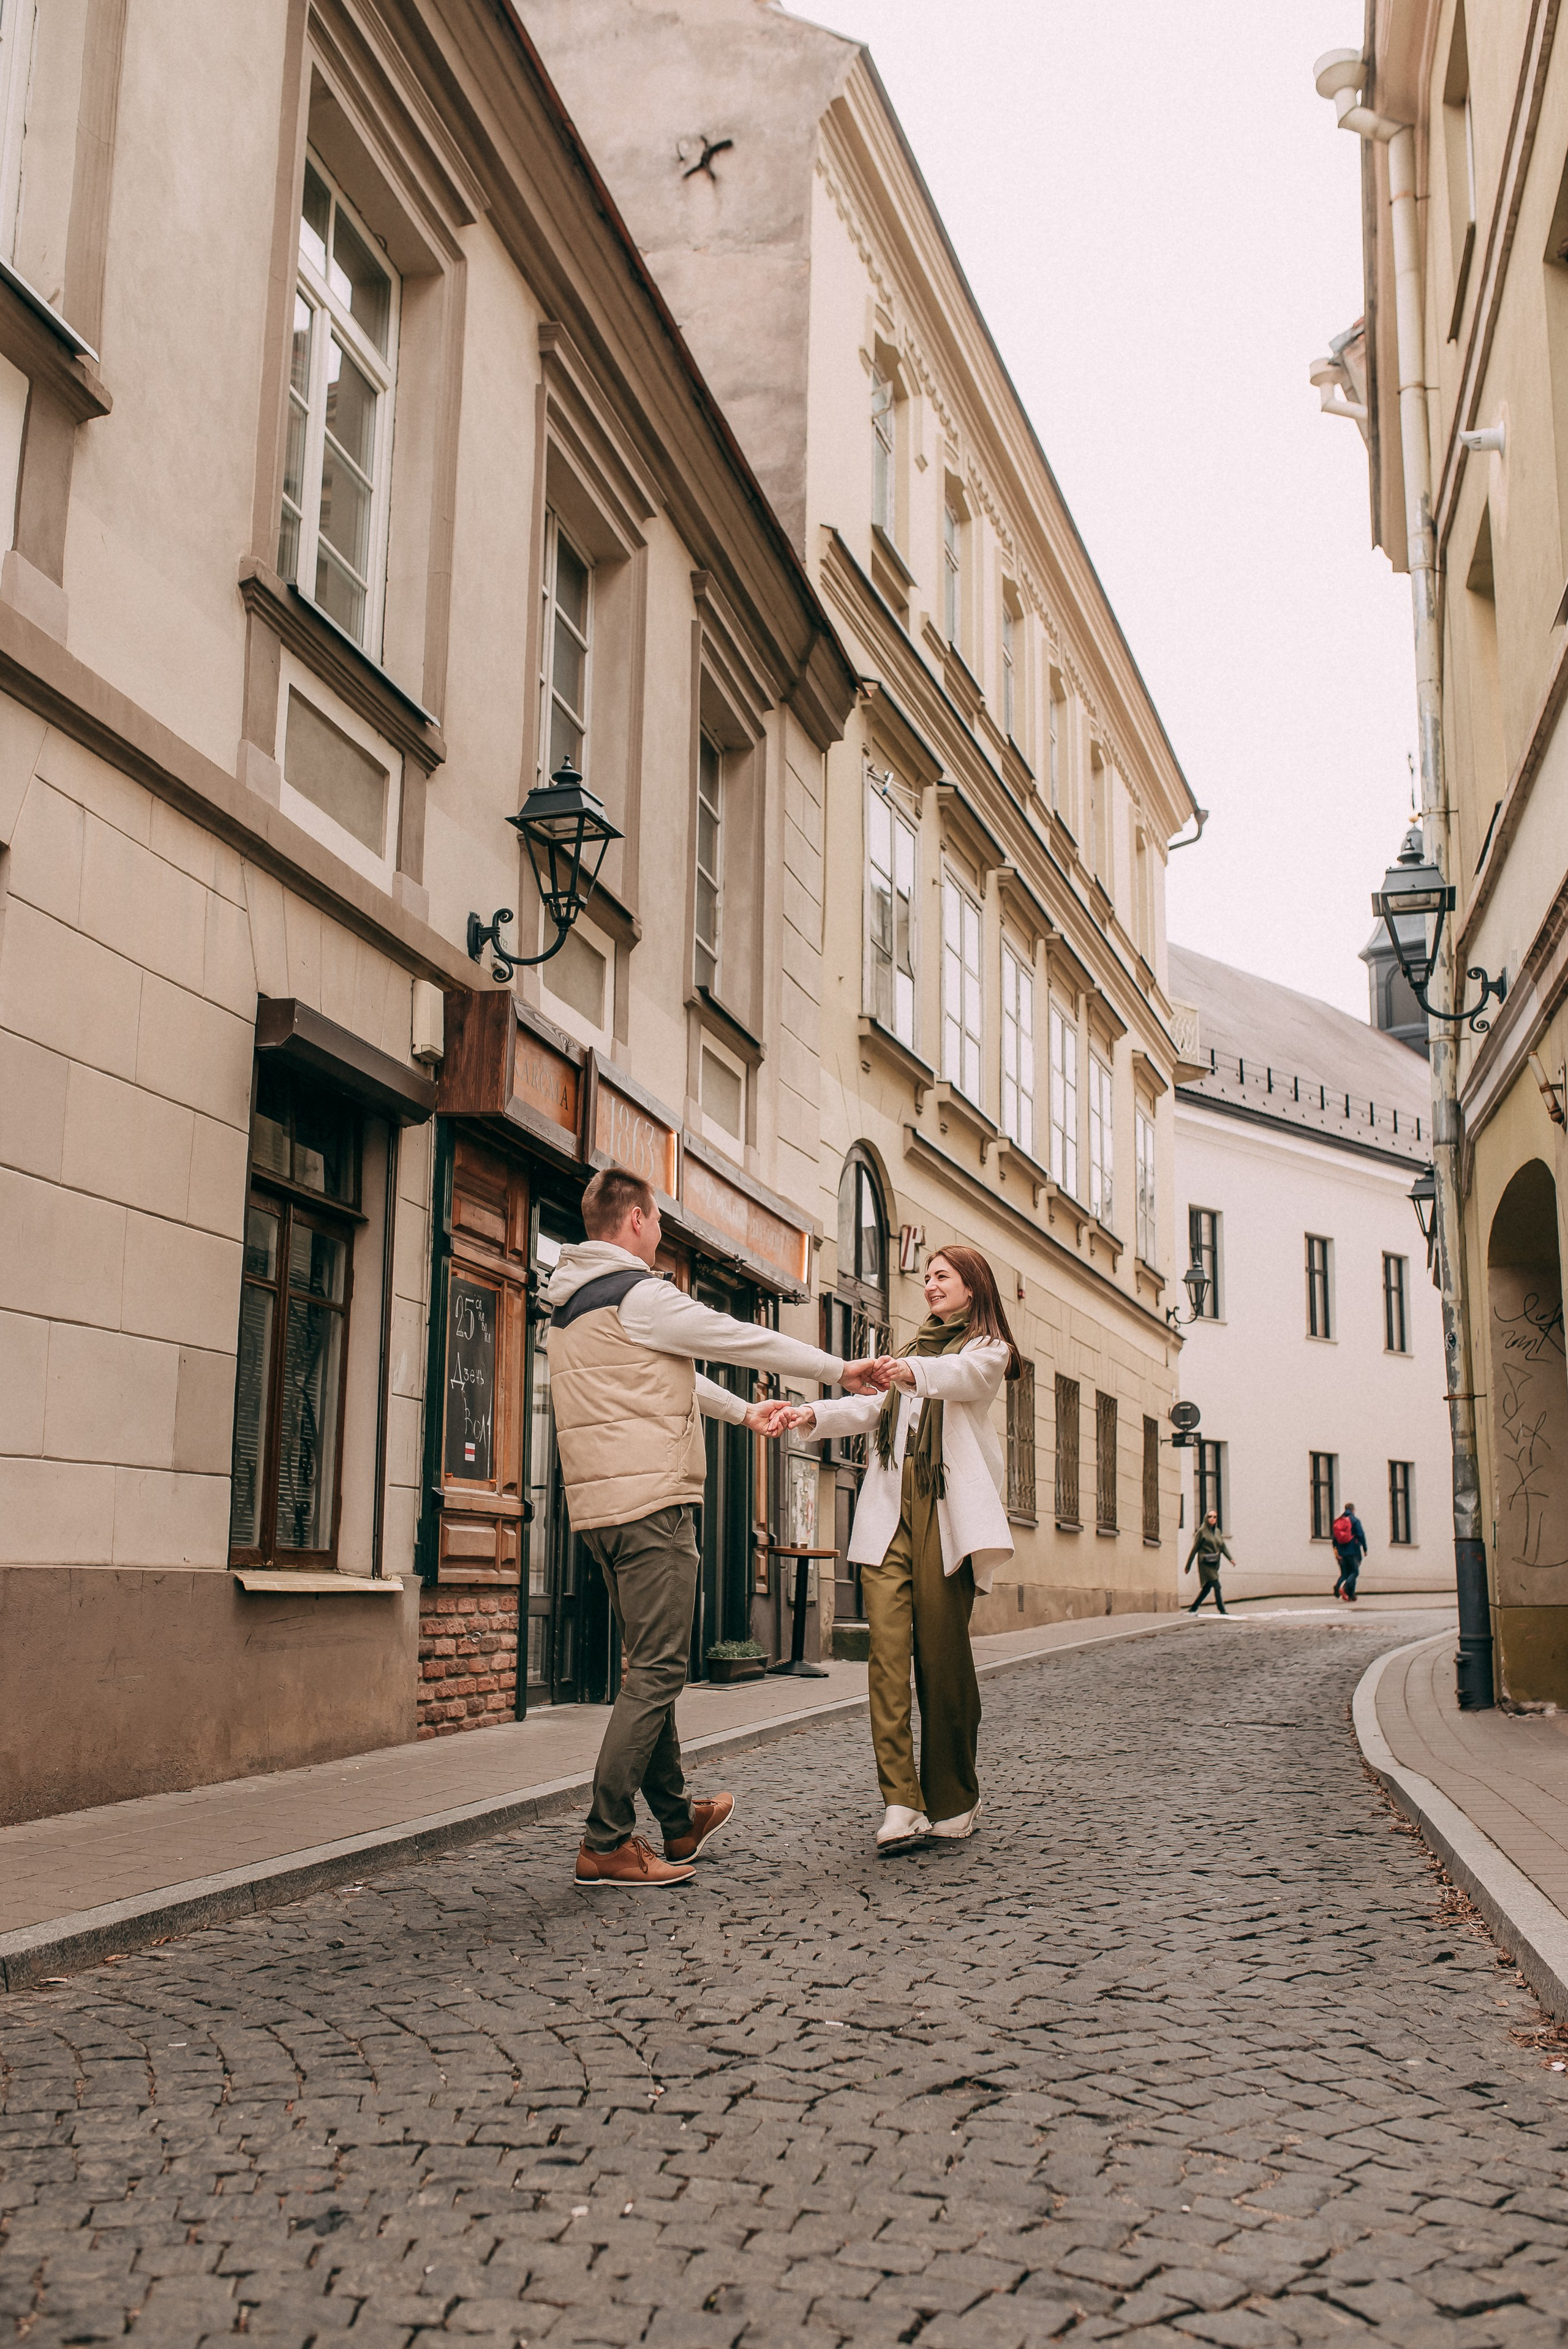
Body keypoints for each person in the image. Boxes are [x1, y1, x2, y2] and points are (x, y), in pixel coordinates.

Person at [545, 1164, 887, 1890]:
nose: (661, 1230)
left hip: (600, 1509)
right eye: (658, 1218)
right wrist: (840, 1369)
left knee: (649, 1663)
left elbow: (670, 1372)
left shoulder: (572, 1304)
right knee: (664, 1668)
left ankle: (676, 1820)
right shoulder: (639, 1291)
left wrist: (741, 1412)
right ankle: (605, 1841)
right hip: (651, 1505)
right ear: (634, 1219)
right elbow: (736, 1338)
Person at [768, 1245, 1019, 1855]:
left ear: (971, 1286)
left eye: (942, 1277)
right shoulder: (907, 1354)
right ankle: (901, 1802)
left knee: (942, 1658)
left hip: (944, 1512)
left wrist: (909, 1375)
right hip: (888, 1515)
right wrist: (808, 1413)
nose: (930, 1285)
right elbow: (870, 1406)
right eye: (927, 1277)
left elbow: (963, 1381)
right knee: (885, 1657)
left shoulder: (986, 1350)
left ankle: (954, 1798)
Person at [1184, 1511, 1232, 1613]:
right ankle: (1222, 1610)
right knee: (1217, 1586)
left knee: (1207, 1588)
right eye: (1210, 1517)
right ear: (1206, 1518)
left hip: (1214, 1563)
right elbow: (1195, 1549)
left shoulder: (1218, 1532)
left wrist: (1230, 1559)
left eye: (1215, 1517)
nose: (1212, 1519)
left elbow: (1222, 1546)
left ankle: (1193, 1608)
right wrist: (1188, 1565)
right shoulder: (1202, 1532)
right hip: (1205, 1563)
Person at [1332, 1501, 1368, 1602]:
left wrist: (1337, 1551)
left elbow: (1334, 1539)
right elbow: (1361, 1535)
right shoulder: (1355, 1521)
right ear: (1353, 1510)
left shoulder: (1339, 1521)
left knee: (1345, 1573)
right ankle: (1344, 1588)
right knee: (1355, 1572)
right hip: (1353, 1551)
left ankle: (1346, 1592)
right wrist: (1365, 1549)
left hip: (1342, 1552)